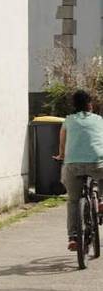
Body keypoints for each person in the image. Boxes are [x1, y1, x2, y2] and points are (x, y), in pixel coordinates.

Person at [54, 89, 103, 251]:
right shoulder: (99, 120)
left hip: (73, 165)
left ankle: (73, 237)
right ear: (90, 105)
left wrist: (61, 156)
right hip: (97, 163)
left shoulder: (68, 121)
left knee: (73, 201)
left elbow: (62, 144)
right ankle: (101, 200)